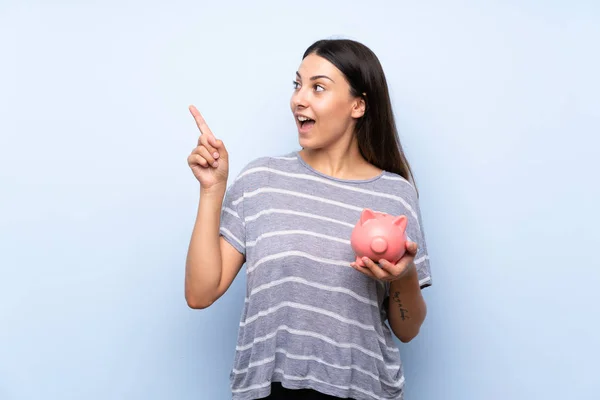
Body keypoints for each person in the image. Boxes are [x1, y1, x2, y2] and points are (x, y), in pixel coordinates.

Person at [185, 38, 432, 400]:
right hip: (268, 389)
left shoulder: (394, 196)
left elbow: (407, 330)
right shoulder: (260, 181)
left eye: (318, 88)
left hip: (361, 391)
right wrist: (212, 190)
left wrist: (404, 274)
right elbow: (200, 293)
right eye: (298, 85)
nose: (299, 99)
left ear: (358, 106)